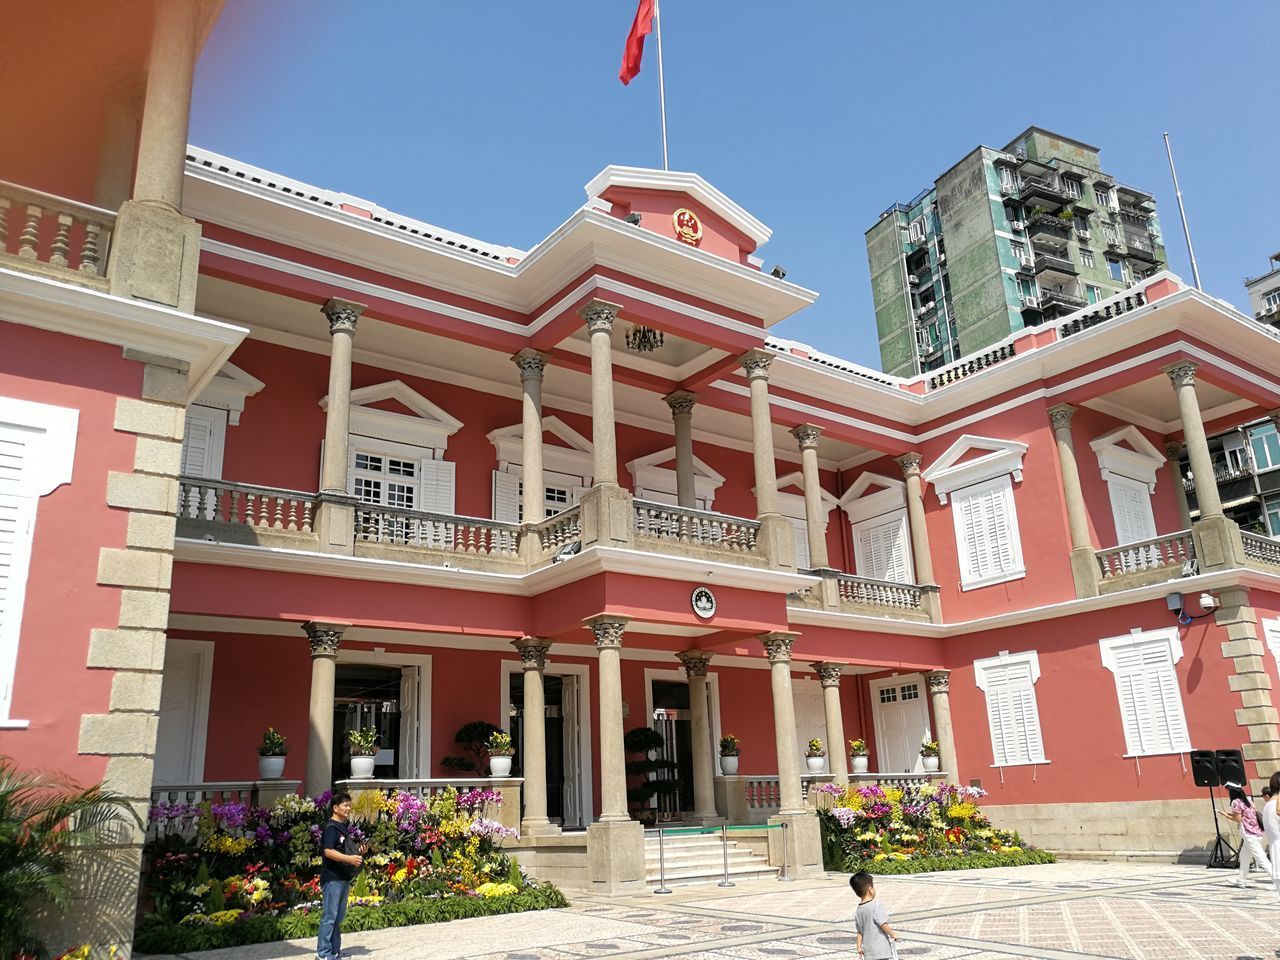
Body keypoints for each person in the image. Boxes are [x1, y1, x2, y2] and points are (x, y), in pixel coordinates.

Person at [317, 792, 364, 960]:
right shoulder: (331, 828)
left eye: (349, 805)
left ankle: (335, 952)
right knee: (329, 917)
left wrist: (357, 853)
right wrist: (350, 859)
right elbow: (328, 852)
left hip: (343, 877)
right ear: (335, 808)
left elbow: (342, 849)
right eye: (345, 805)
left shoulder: (342, 827)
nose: (348, 809)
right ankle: (323, 954)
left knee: (338, 917)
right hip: (332, 878)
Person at [1221, 781, 1271, 890]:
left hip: (1249, 834)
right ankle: (1241, 880)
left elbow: (1237, 819)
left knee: (1262, 859)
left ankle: (1278, 880)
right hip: (1256, 832)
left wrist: (1226, 816)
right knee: (1244, 857)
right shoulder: (1248, 800)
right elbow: (1246, 815)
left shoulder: (1235, 802)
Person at [851, 871, 898, 960]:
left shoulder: (859, 910)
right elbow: (883, 924)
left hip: (868, 953)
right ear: (870, 889)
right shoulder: (876, 906)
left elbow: (859, 931)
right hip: (880, 951)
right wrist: (892, 934)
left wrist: (859, 946)